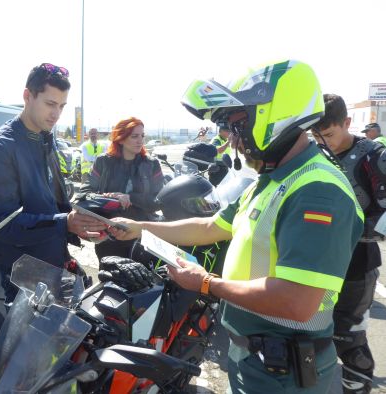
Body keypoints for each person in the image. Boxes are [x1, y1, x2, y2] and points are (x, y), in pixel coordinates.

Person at [110, 60, 364, 393]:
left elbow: (297, 301)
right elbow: (209, 227)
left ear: (276, 113)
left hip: (286, 374)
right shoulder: (272, 180)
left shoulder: (317, 190)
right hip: (255, 359)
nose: (232, 138)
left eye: (238, 123)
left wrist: (206, 284)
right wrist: (139, 228)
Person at [0, 63, 105, 304]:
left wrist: (82, 223)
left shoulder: (45, 138)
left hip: (53, 262)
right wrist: (64, 223)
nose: (56, 114)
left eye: (62, 106)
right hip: (24, 273)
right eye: (50, 104)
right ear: (27, 96)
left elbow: (52, 202)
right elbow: (2, 225)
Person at [310, 94, 385, 394]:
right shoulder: (313, 154)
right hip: (315, 261)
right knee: (309, 332)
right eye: (317, 135)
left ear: (347, 123)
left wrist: (346, 230)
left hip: (358, 262)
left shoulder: (372, 155)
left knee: (348, 338)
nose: (324, 141)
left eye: (328, 134)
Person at [80, 117, 164, 260]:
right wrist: (109, 197)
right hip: (109, 236)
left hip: (141, 235)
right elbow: (84, 195)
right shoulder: (103, 162)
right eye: (134, 136)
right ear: (120, 138)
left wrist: (131, 198)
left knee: (141, 279)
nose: (140, 140)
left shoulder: (152, 164)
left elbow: (159, 201)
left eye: (142, 136)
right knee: (110, 278)